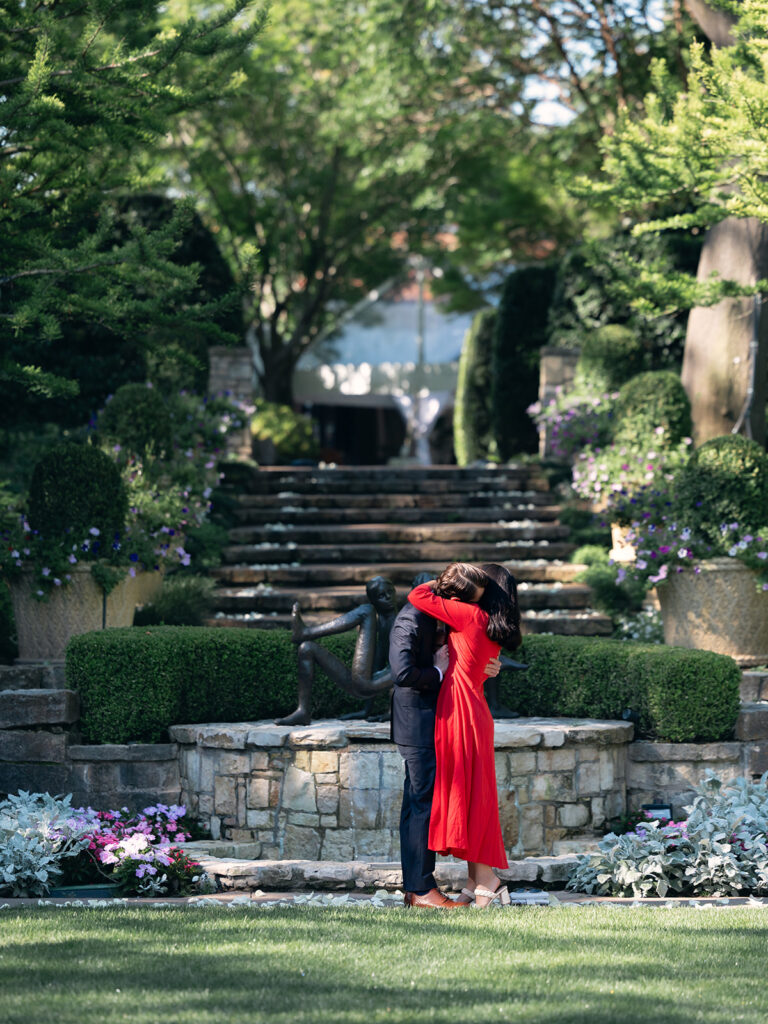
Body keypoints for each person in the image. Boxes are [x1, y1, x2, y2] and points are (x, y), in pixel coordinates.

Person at [407, 561, 522, 908]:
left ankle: (487, 878)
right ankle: (476, 880)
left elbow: (417, 594)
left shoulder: (468, 615)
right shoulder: (491, 624)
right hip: (470, 710)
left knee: (471, 796)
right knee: (473, 793)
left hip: (461, 712)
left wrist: (447, 581)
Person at [389, 572, 503, 909]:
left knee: (419, 803)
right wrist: (439, 672)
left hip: (438, 719)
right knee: (421, 804)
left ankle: (420, 888)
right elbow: (403, 673)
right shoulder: (410, 619)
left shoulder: (440, 615)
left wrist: (484, 665)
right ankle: (422, 891)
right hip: (417, 722)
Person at [275, 575, 396, 727]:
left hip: (367, 683)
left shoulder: (400, 621)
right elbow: (377, 664)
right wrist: (367, 710)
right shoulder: (382, 622)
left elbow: (403, 671)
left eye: (390, 592)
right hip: (364, 684)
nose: (388, 597)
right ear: (374, 599)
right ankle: (303, 711)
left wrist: (393, 712)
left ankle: (305, 632)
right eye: (381, 596)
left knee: (366, 611)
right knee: (307, 648)